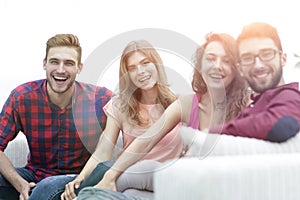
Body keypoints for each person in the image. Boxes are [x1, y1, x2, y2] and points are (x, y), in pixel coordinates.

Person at [76, 32, 251, 199]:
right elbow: (146, 140)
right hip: (180, 182)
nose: (217, 66)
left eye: (226, 60)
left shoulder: (248, 106)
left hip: (215, 186)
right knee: (128, 191)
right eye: (210, 59)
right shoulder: (187, 104)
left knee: (129, 176)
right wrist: (110, 176)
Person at [60, 40, 184, 200]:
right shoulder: (120, 105)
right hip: (124, 176)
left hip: (160, 180)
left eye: (145, 63)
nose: (140, 71)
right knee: (115, 182)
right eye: (132, 68)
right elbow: (103, 150)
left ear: (157, 64)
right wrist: (80, 178)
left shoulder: (179, 104)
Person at [0, 34, 112, 200]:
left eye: (68, 63)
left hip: (79, 179)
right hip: (34, 175)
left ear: (79, 68)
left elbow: (133, 114)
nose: (60, 70)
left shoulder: (100, 99)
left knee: (47, 187)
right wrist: (20, 183)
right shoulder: (22, 97)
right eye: (54, 62)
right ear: (45, 64)